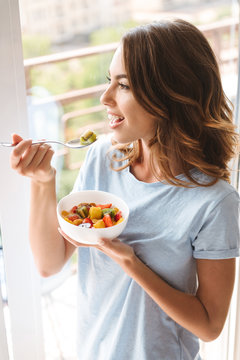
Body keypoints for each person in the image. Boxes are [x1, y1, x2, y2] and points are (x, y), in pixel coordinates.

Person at [10, 19, 240, 360]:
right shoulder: (102, 158)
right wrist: (43, 182)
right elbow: (48, 262)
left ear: (171, 95)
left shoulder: (215, 202)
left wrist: (131, 263)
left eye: (124, 85)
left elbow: (208, 325)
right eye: (109, 81)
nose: (105, 98)